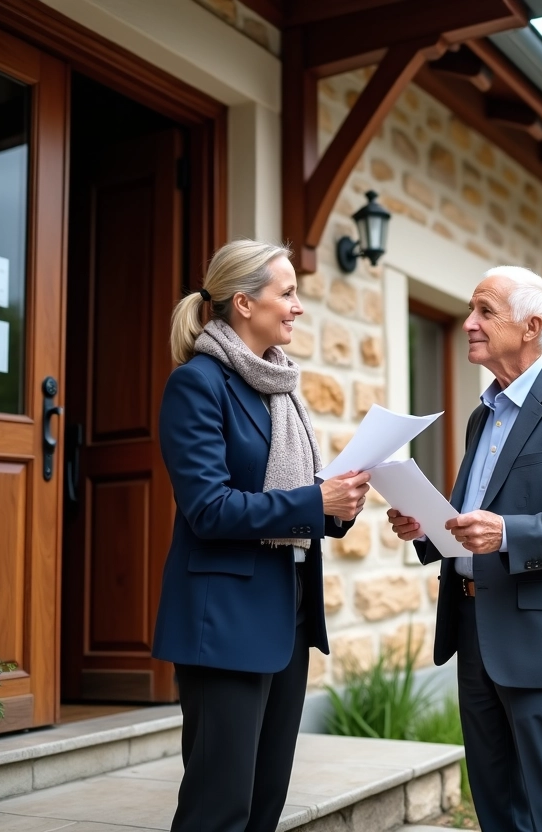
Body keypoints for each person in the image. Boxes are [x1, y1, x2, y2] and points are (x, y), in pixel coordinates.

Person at [388, 266, 542, 832]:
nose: (468, 322)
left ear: (531, 326)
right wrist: (428, 529)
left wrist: (511, 534)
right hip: (474, 627)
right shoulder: (481, 415)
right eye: (471, 310)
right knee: (495, 803)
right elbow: (472, 521)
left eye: (484, 312)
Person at [152, 240, 371, 832]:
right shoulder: (198, 385)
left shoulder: (281, 388)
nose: (299, 306)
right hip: (222, 623)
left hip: (286, 618)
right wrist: (311, 501)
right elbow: (209, 509)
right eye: (288, 293)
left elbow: (295, 503)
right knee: (219, 808)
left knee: (266, 800)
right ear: (244, 303)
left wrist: (338, 506)